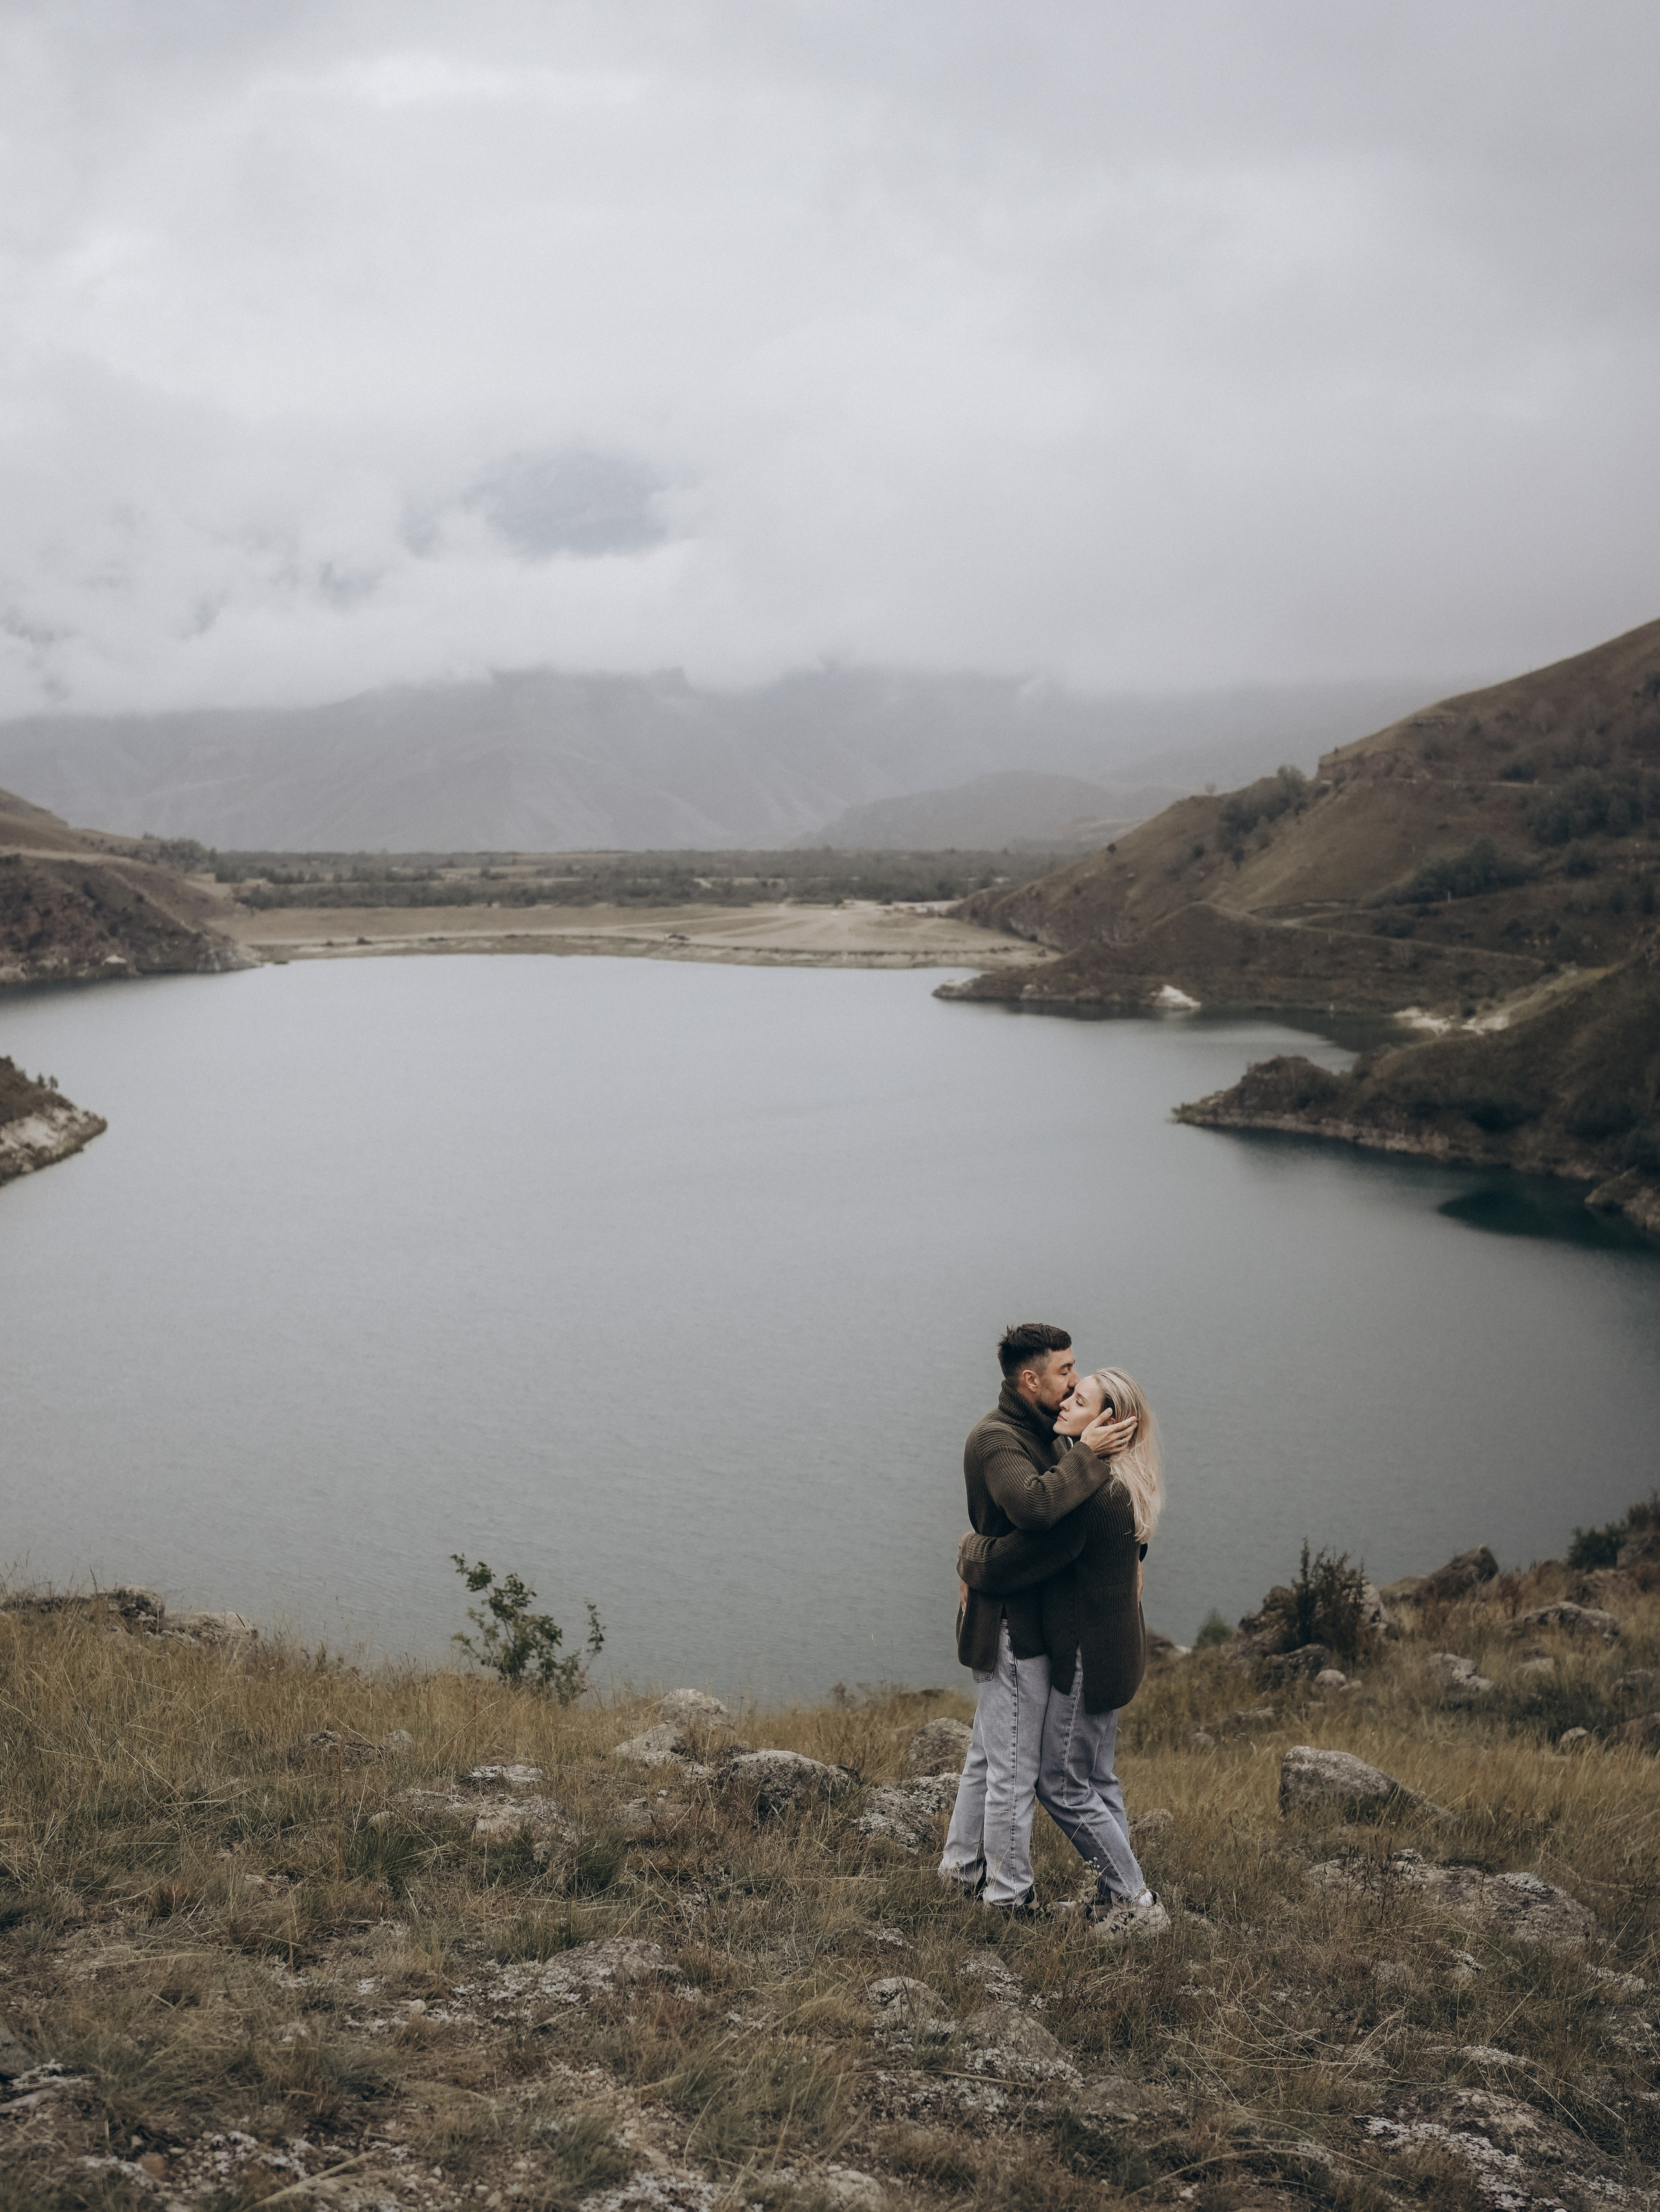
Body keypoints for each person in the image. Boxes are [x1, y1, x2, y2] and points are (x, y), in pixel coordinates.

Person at [957, 1365, 1166, 1929]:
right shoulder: (1122, 1480)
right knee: (1096, 1778)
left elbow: (1015, 1560)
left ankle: (1133, 1899)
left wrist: (968, 1551)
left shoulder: (1093, 1497)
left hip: (1085, 1661)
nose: (1066, 1399)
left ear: (1108, 1422)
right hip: (1115, 1654)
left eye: (1080, 1396)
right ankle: (1119, 1898)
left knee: (1061, 1784)